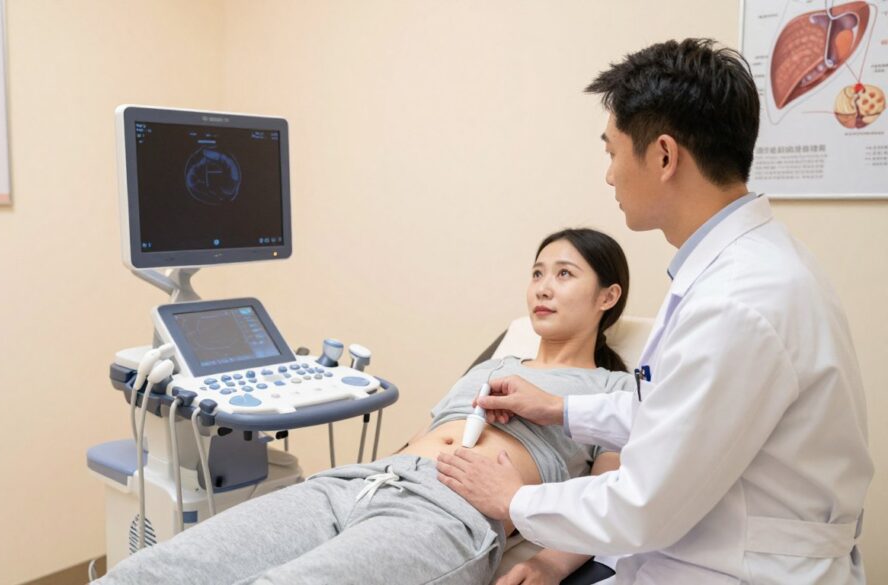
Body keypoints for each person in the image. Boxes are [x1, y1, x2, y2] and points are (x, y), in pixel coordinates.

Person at [437, 38, 873, 585]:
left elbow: (645, 504)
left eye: (612, 151)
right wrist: (561, 409)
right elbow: (682, 419)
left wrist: (516, 499)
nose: (609, 175)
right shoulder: (741, 268)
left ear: (664, 156)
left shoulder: (739, 300)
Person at [96, 228, 636, 585]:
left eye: (564, 274)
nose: (542, 287)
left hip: (446, 512)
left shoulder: (613, 392)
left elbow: (608, 500)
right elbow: (424, 438)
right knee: (155, 570)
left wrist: (549, 563)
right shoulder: (494, 363)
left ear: (607, 297)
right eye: (538, 272)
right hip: (359, 482)